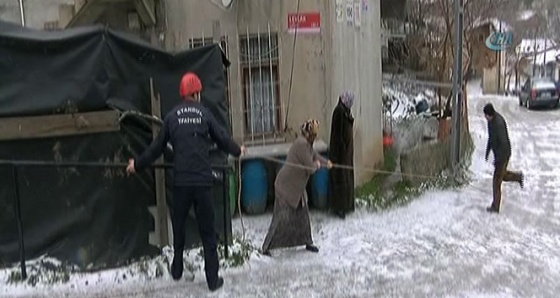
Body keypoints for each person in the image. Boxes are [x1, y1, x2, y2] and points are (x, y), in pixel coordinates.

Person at [126, 72, 246, 291]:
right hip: (202, 182)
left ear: (183, 94)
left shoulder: (172, 117)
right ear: (197, 93)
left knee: (179, 227)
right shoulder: (205, 114)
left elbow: (156, 148)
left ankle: (177, 268)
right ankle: (212, 280)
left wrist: (137, 165)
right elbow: (221, 139)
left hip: (181, 182)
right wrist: (237, 150)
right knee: (208, 233)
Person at [262, 119, 332, 255]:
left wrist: (326, 162)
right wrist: (318, 165)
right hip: (286, 187)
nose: (315, 137)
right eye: (314, 134)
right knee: (280, 218)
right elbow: (310, 168)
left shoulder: (306, 144)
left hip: (297, 188)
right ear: (309, 134)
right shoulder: (301, 144)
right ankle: (266, 247)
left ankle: (307, 241)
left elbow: (314, 155)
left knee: (302, 216)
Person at [483, 103, 524, 213]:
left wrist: (498, 160)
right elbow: (491, 138)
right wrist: (487, 151)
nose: (485, 118)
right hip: (500, 154)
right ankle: (518, 177)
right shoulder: (490, 122)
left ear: (490, 114)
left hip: (504, 154)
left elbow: (504, 144)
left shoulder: (499, 124)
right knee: (502, 175)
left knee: (496, 181)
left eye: (486, 115)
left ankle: (495, 207)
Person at [328, 91, 355, 219]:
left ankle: (348, 205)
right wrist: (342, 149)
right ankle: (340, 208)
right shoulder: (339, 111)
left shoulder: (345, 111)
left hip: (346, 154)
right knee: (341, 180)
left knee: (347, 178)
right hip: (340, 154)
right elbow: (338, 134)